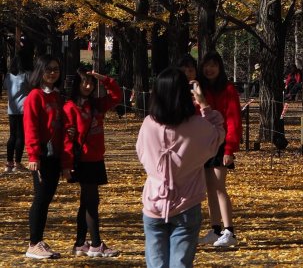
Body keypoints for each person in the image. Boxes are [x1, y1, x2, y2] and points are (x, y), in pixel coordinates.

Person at [136, 67, 225, 267]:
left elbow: (141, 153)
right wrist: (204, 105)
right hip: (187, 203)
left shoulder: (148, 124)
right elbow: (218, 135)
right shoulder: (197, 126)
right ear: (185, 94)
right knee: (181, 263)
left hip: (154, 202)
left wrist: (158, 172)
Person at [61, 66, 122, 257]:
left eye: (91, 83)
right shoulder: (70, 107)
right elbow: (67, 139)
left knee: (86, 202)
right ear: (77, 84)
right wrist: (67, 165)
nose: (88, 86)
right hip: (83, 160)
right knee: (92, 202)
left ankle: (80, 243)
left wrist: (103, 79)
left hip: (96, 158)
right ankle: (96, 244)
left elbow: (117, 96)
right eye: (84, 83)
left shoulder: (96, 104)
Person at [197, 51, 242, 247]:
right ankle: (215, 229)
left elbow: (234, 120)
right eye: (207, 65)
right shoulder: (200, 88)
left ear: (220, 67)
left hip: (222, 143)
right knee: (209, 188)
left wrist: (229, 149)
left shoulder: (228, 89)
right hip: (204, 143)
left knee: (219, 187)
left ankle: (229, 231)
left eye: (214, 65)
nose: (210, 69)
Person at [23, 54, 64, 259]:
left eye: (56, 69)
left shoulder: (56, 96)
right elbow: (30, 127)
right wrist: (33, 155)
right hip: (41, 154)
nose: (52, 73)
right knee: (40, 198)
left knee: (46, 198)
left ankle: (39, 240)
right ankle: (33, 243)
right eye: (48, 69)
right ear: (40, 71)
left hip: (55, 154)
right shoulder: (35, 96)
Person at [3, 53, 30, 173]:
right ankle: (17, 163)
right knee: (20, 136)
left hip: (12, 109)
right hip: (23, 109)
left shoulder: (8, 76)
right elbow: (31, 87)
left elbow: (5, 87)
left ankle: (9, 163)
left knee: (12, 135)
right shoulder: (25, 76)